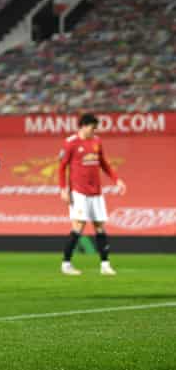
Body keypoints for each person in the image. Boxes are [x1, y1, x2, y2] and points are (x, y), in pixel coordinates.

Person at [58, 113, 126, 276]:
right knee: (79, 225)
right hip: (79, 192)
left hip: (96, 192)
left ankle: (105, 265)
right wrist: (63, 189)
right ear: (83, 126)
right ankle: (66, 264)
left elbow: (104, 163)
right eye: (92, 127)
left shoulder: (97, 141)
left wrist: (116, 179)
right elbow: (62, 167)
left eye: (95, 128)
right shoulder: (70, 143)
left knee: (100, 227)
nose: (94, 130)